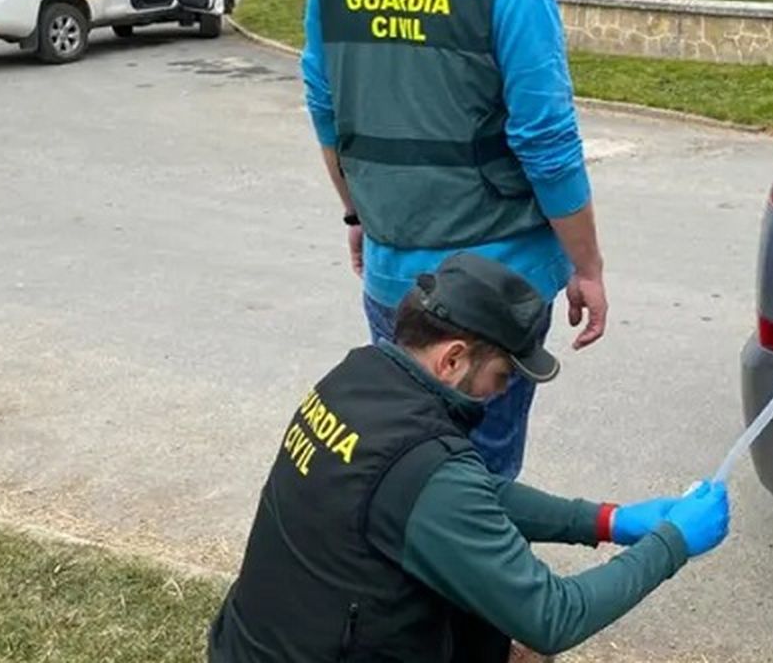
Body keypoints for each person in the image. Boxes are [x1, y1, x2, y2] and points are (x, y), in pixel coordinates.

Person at [207, 252, 729, 663]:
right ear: (453, 358)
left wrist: (605, 520)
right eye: (503, 374)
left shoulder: (357, 379)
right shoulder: (425, 469)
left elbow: (471, 492)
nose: (502, 392)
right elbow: (552, 616)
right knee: (502, 618)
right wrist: (671, 543)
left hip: (255, 643)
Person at [301, 0, 605, 483]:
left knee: (407, 463)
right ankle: (475, 591)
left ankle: (409, 590)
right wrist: (587, 266)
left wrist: (357, 212)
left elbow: (327, 110)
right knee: (481, 480)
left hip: (392, 278)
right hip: (498, 290)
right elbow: (548, 142)